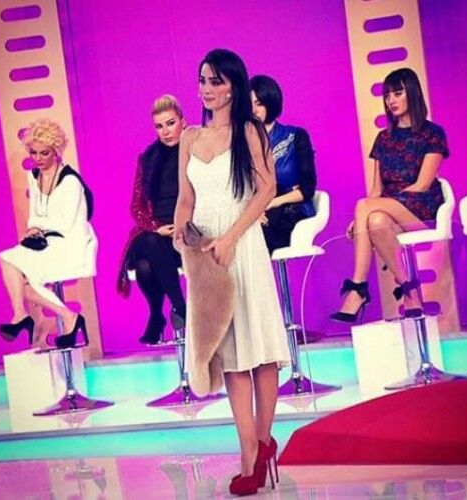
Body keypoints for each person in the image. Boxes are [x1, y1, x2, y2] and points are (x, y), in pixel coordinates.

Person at [173, 49, 290, 496]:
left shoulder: (248, 130)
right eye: (203, 80)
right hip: (204, 251)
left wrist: (231, 238)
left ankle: (263, 441)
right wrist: (182, 234)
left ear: (234, 86)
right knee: (230, 355)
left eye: (216, 81)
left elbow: (267, 188)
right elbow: (186, 197)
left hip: (242, 246)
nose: (207, 89)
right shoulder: (189, 136)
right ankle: (249, 453)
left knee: (258, 347)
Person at [330, 68, 449, 323]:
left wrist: (372, 206)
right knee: (375, 221)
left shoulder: (433, 133)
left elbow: (422, 185)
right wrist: (361, 218)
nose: (391, 100)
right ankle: (409, 291)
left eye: (397, 93)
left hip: (421, 208)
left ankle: (358, 288)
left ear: (412, 93)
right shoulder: (383, 138)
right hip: (388, 208)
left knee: (366, 207)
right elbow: (376, 190)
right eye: (387, 95)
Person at [0, 118, 94, 348]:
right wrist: (33, 228)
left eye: (44, 153)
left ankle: (62, 318)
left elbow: (66, 223)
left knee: (25, 279)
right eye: (33, 153)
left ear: (56, 151)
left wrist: (40, 226)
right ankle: (22, 314)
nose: (38, 158)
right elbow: (34, 214)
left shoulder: (70, 181)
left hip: (72, 242)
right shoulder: (34, 176)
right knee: (6, 259)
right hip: (47, 241)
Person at [117, 95, 187, 344]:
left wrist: (182, 225)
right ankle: (180, 306)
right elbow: (136, 207)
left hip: (188, 230)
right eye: (159, 126)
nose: (165, 132)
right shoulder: (147, 158)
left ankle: (157, 316)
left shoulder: (197, 150)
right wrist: (158, 228)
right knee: (148, 242)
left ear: (183, 121)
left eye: (170, 123)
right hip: (157, 232)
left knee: (145, 266)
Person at [250, 75, 317, 253]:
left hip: (292, 212)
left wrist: (271, 203)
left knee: (253, 238)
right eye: (249, 104)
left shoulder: (296, 136)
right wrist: (255, 213)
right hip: (259, 216)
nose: (253, 110)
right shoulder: (243, 144)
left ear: (271, 102)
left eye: (259, 103)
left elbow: (307, 189)